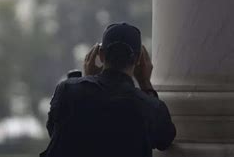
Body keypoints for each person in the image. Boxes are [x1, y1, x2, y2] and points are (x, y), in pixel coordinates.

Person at [40, 22, 176, 157]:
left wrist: (89, 79)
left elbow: (54, 131)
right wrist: (145, 82)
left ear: (101, 54)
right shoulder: (150, 107)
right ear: (139, 59)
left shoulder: (68, 90)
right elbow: (164, 139)